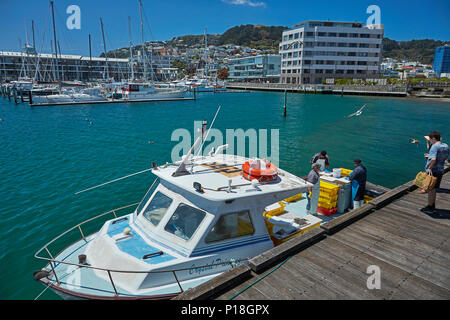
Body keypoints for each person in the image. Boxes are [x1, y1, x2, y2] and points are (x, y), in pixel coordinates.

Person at [421, 131, 449, 214]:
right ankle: (431, 206)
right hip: (440, 170)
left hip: (433, 171)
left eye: (430, 139)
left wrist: (429, 168)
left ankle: (430, 208)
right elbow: (444, 157)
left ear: (433, 139)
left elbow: (433, 159)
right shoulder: (446, 146)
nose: (429, 140)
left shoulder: (434, 147)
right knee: (433, 190)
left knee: (431, 190)